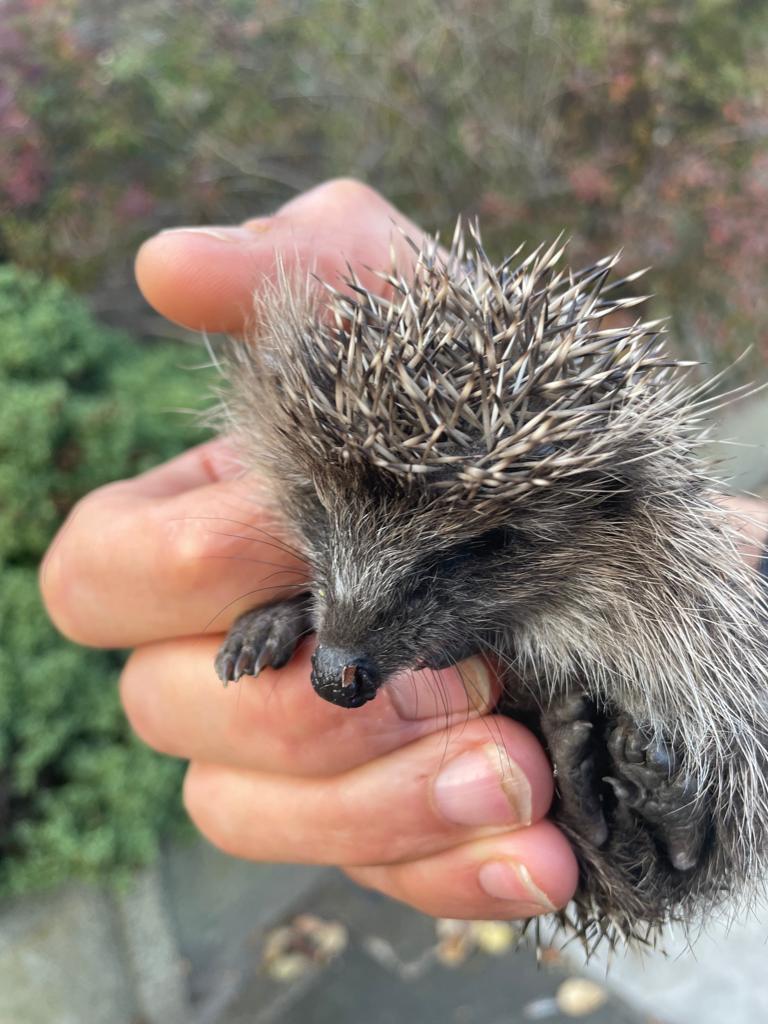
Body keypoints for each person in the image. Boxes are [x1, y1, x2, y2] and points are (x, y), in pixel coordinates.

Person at [40, 179, 768, 922]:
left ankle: (638, 821)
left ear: (612, 506)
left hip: (660, 740)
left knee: (675, 762)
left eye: (462, 555)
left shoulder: (637, 547)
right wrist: (293, 608)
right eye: (323, 518)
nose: (341, 653)